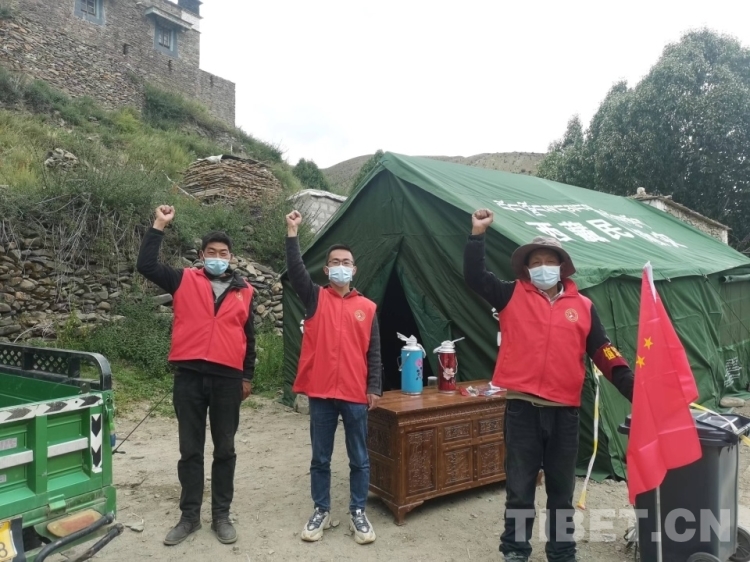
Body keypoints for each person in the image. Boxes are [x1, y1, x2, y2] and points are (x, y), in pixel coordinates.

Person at [463, 209, 634, 562]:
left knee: (561, 490)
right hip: (522, 410)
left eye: (549, 261)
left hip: (565, 413)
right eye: (536, 262)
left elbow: (604, 350)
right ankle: (515, 550)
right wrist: (477, 235)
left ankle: (561, 551)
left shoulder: (584, 306)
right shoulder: (510, 295)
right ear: (527, 269)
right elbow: (475, 277)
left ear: (562, 267)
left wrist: (634, 386)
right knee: (520, 489)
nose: (543, 267)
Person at [136, 205, 255, 547]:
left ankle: (221, 516)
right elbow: (146, 265)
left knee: (225, 449)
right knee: (190, 450)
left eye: (223, 253)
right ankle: (189, 517)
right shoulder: (183, 279)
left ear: (231, 257)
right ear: (202, 255)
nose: (218, 257)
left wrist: (247, 376)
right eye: (211, 252)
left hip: (228, 380)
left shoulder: (245, 291)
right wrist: (159, 224)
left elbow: (249, 337)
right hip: (188, 377)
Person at [285, 209, 382, 545]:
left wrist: (374, 387)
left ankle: (358, 512)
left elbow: (374, 352)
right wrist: (292, 232)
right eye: (335, 262)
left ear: (354, 270)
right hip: (322, 391)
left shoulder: (368, 307)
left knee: (359, 457)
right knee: (321, 457)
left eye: (347, 262)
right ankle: (321, 510)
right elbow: (295, 270)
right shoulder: (315, 298)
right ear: (326, 270)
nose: (341, 266)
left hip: (355, 393)